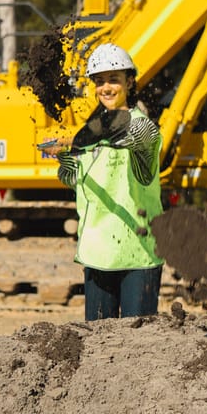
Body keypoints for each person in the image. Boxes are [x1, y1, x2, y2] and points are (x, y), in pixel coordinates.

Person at [55, 43, 164, 321]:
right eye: (99, 81)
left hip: (139, 252)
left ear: (129, 81)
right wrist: (64, 157)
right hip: (97, 250)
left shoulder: (143, 126)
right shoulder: (90, 131)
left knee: (137, 344)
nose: (106, 88)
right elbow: (74, 180)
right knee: (98, 346)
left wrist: (81, 140)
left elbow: (131, 136)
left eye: (113, 80)